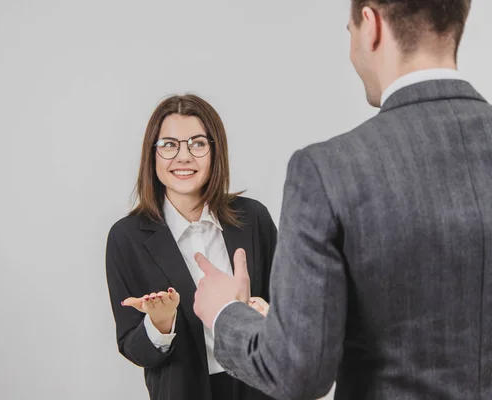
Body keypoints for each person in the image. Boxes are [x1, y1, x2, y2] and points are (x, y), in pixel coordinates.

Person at [193, 1, 492, 399]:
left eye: (348, 30)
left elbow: (298, 371)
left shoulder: (326, 171)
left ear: (371, 25)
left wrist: (224, 314)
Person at [105, 94, 278, 400]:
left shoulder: (253, 219)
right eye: (169, 144)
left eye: (197, 144)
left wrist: (261, 313)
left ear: (215, 151)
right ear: (152, 154)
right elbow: (134, 349)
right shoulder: (126, 237)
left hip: (260, 389)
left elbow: (291, 315)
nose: (183, 157)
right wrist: (160, 323)